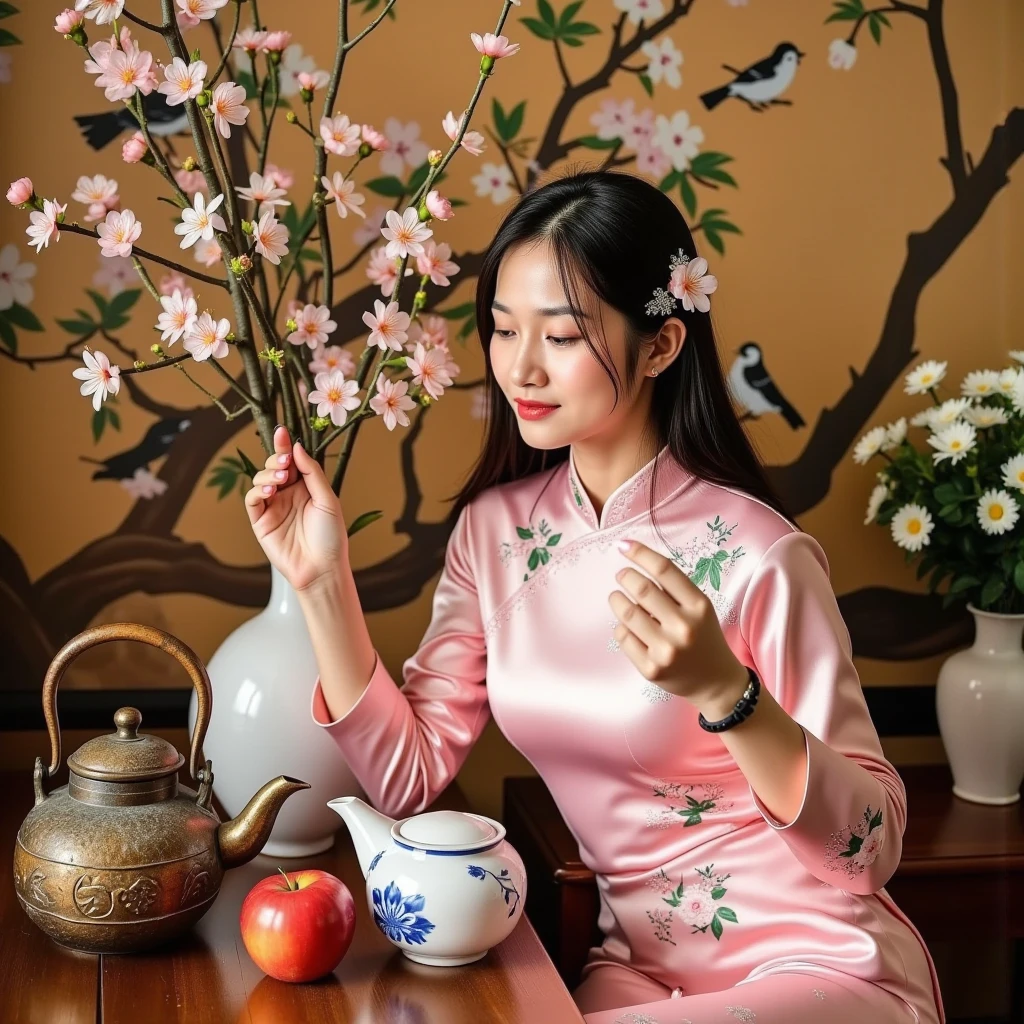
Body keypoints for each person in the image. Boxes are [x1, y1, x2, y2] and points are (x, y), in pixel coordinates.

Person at [244, 170, 945, 1024]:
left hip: (817, 964)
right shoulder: (493, 535)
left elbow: (869, 849)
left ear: (660, 345)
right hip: (637, 970)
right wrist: (320, 584)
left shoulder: (759, 553)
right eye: (503, 330)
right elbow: (406, 778)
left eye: (564, 336)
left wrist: (729, 694)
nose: (521, 366)